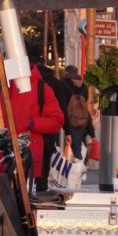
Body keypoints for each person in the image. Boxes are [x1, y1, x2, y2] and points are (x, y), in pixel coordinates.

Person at [0, 49, 64, 186]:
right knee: (8, 196)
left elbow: (57, 120)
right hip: (7, 153)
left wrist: (32, 123)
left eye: (7, 58)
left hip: (32, 153)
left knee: (29, 198)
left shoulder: (41, 87)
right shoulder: (0, 88)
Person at [31, 48, 70, 191]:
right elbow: (63, 108)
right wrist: (68, 130)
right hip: (49, 127)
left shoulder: (28, 82)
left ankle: (24, 191)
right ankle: (41, 188)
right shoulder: (55, 82)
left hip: (31, 127)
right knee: (45, 158)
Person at [62, 66, 94, 161]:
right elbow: (86, 100)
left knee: (73, 150)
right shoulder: (83, 86)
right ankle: (81, 168)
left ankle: (76, 170)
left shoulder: (63, 84)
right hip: (82, 121)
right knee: (80, 146)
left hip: (70, 120)